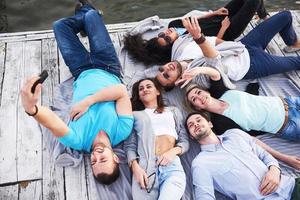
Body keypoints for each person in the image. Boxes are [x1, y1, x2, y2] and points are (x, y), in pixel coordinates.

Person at [20, 0, 134, 185]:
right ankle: (88, 16)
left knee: (60, 26)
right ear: (116, 158)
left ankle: (85, 18)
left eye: (94, 162)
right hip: (108, 67)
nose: (96, 156)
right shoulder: (122, 131)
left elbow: (53, 124)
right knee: (91, 16)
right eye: (103, 159)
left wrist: (32, 109)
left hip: (80, 70)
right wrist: (89, 101)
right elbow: (121, 91)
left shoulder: (78, 141)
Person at [154, 11, 300, 90]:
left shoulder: (181, 50)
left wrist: (227, 43)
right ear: (177, 82)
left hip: (243, 46)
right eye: (167, 76)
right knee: (297, 62)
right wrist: (198, 37)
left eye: (161, 69)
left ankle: (293, 43)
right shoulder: (195, 80)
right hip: (252, 65)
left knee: (285, 16)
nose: (166, 69)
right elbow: (214, 60)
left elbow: (214, 42)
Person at [185, 112, 300, 200]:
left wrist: (275, 169)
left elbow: (263, 154)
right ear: (192, 137)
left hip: (290, 185)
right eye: (191, 125)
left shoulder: (235, 134)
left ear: (210, 123)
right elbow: (204, 196)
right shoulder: (201, 163)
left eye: (199, 120)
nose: (196, 124)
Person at [124, 0, 268, 65]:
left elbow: (194, 19)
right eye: (167, 38)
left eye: (162, 35)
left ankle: (263, 16)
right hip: (228, 29)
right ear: (172, 44)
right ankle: (264, 17)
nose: (166, 33)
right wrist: (224, 28)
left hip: (217, 17)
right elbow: (213, 46)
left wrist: (213, 13)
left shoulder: (173, 25)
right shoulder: (188, 43)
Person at [124, 78, 188, 199]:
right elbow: (129, 146)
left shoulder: (173, 111)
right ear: (138, 95)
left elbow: (184, 140)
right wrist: (135, 168)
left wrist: (173, 151)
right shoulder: (135, 115)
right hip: (144, 170)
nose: (145, 89)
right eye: (141, 89)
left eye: (149, 86)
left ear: (158, 91)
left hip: (171, 165)